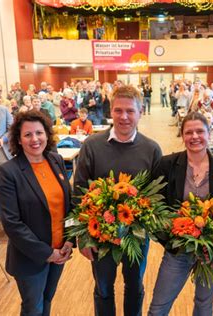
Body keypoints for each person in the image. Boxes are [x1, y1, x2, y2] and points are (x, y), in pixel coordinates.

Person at [74, 85, 162, 316]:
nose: (124, 117)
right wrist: (83, 239)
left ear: (140, 112)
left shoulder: (152, 149)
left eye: (130, 111)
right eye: (118, 110)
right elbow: (79, 192)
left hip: (137, 238)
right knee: (103, 288)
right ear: (110, 111)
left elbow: (160, 196)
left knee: (134, 287)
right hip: (99, 236)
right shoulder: (92, 146)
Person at [148, 111, 213, 316]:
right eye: (189, 132)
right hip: (178, 251)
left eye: (200, 131)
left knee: (204, 303)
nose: (194, 136)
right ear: (182, 135)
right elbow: (154, 205)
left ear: (209, 133)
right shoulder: (167, 165)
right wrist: (171, 240)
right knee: (158, 307)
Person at [0, 110, 73, 315]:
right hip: (30, 257)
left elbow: (70, 206)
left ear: (47, 135)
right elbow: (12, 224)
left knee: (47, 300)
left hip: (60, 250)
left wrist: (70, 239)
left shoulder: (55, 160)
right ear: (19, 140)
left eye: (39, 133)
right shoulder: (8, 172)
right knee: (33, 307)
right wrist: (47, 253)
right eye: (27, 135)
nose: (35, 139)